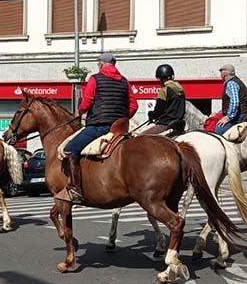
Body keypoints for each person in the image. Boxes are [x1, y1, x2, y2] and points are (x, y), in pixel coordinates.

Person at [59, 53, 138, 204]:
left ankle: (75, 189)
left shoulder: (95, 79)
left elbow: (87, 101)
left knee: (70, 150)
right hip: (119, 129)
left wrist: (80, 110)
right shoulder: (124, 81)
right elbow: (134, 105)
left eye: (98, 64)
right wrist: (123, 118)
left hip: (99, 126)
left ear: (101, 64)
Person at [141, 64, 186, 136]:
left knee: (140, 136)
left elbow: (158, 111)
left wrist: (151, 114)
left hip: (165, 124)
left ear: (161, 79)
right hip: (179, 124)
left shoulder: (164, 90)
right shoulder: (181, 90)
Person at [213, 64, 247, 135]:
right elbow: (230, 104)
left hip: (239, 116)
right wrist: (218, 113)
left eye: (221, 73)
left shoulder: (231, 83)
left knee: (217, 131)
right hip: (244, 114)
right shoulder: (238, 81)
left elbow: (235, 102)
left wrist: (228, 118)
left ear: (224, 74)